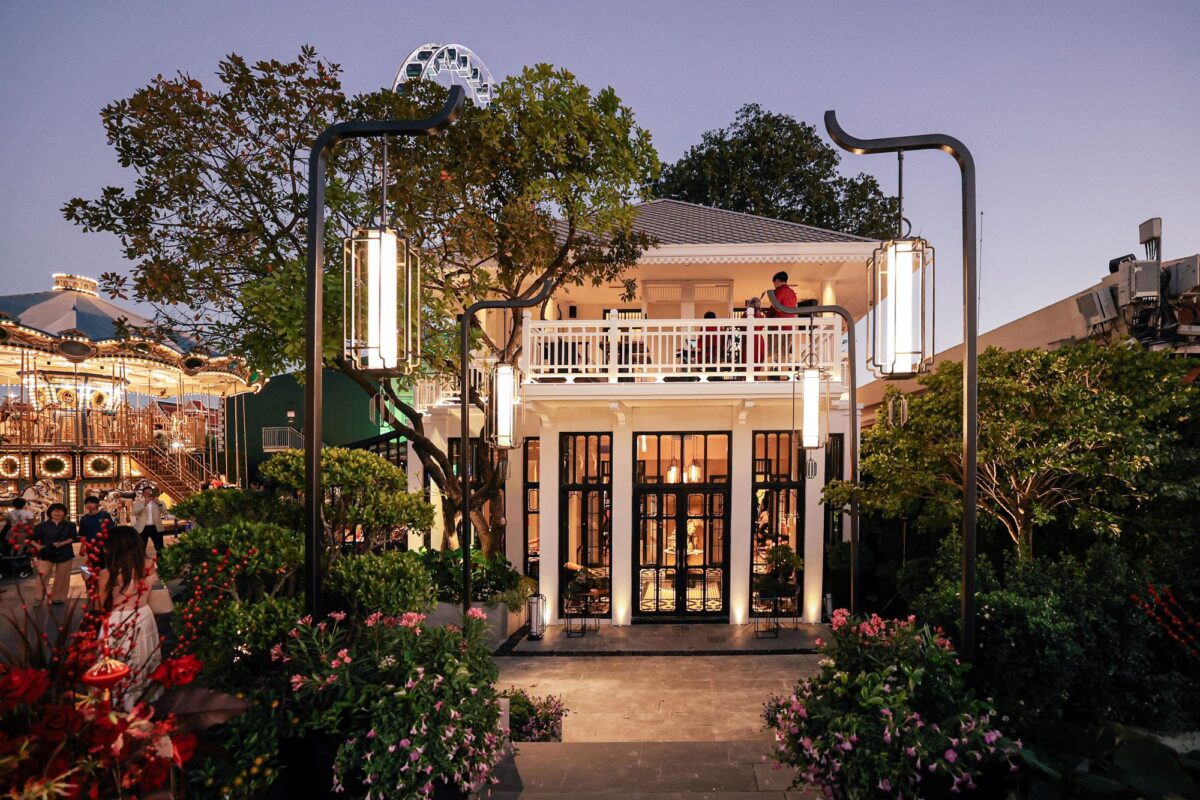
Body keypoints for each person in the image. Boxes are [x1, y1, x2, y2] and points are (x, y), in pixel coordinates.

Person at [98, 525, 162, 711]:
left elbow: (99, 606)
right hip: (144, 614)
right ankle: (145, 699)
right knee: (144, 657)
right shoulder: (149, 565)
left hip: (118, 619)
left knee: (119, 661)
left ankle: (120, 703)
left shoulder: (108, 572)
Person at [32, 502, 76, 607]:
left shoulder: (70, 525)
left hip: (65, 552)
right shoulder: (41, 526)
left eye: (60, 511)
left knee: (62, 576)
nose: (57, 513)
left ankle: (58, 598)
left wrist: (61, 543)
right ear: (50, 513)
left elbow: (73, 538)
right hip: (46, 553)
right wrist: (39, 547)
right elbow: (31, 539)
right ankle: (38, 598)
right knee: (43, 575)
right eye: (55, 511)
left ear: (64, 513)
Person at [78, 495, 115, 575]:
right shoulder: (84, 518)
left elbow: (111, 530)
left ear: (97, 504)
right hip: (91, 546)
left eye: (92, 503)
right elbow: (83, 534)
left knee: (106, 566)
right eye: (87, 503)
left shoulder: (104, 515)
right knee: (94, 566)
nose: (89, 504)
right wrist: (82, 548)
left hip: (104, 545)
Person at [132, 487, 166, 557]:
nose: (149, 493)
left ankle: (161, 562)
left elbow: (165, 512)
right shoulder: (138, 502)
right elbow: (135, 512)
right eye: (146, 492)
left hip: (156, 527)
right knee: (140, 548)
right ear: (143, 494)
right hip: (142, 528)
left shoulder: (160, 502)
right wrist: (144, 504)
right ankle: (141, 563)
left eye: (150, 491)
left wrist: (159, 503)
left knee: (160, 548)